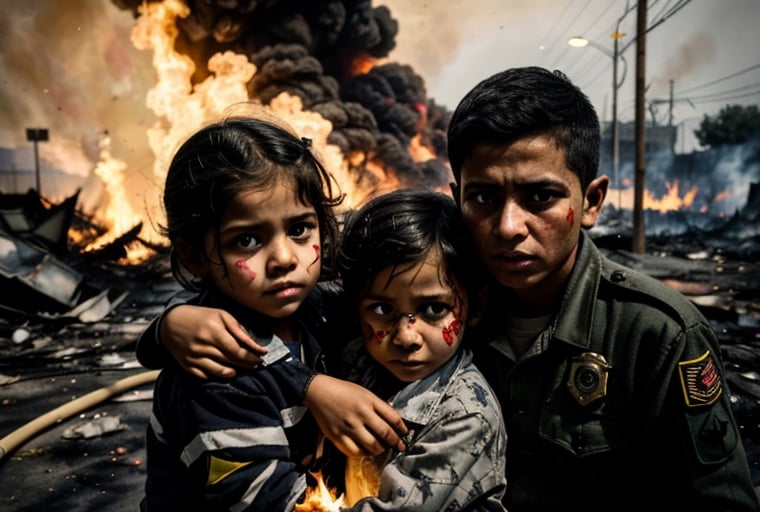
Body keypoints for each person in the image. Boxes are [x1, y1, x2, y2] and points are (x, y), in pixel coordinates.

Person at [138, 67, 760, 510]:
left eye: (541, 197)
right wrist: (170, 326)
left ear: (591, 201)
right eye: (485, 198)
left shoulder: (655, 333)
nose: (510, 227)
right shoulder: (435, 290)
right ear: (457, 197)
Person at [139, 114, 387, 512]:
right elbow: (266, 502)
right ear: (193, 255)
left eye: (300, 229)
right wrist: (312, 386)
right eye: (248, 240)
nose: (284, 259)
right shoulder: (212, 377)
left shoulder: (320, 308)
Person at [329, 188, 507, 511]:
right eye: (382, 310)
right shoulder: (357, 359)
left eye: (434, 310)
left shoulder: (465, 415)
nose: (406, 337)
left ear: (475, 307)